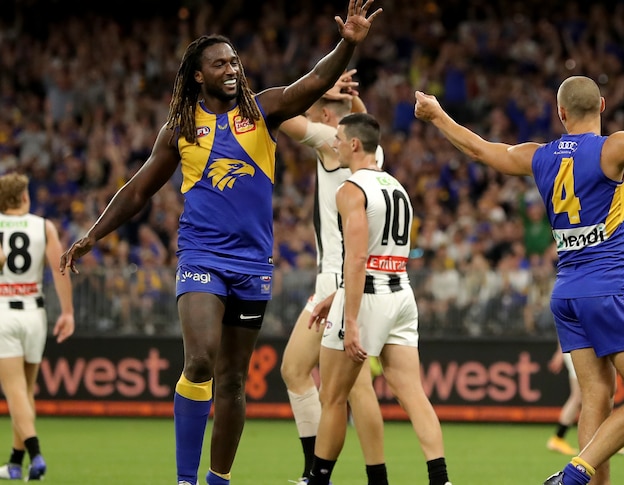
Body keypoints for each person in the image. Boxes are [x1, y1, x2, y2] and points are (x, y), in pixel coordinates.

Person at [58, 3, 382, 484]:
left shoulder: (263, 108)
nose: (231, 69)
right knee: (201, 359)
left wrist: (349, 42)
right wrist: (92, 236)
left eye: (234, 62)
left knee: (232, 380)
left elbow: (314, 82)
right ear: (196, 77)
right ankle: (185, 479)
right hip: (201, 256)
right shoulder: (181, 129)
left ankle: (217, 479)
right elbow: (139, 189)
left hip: (253, 263)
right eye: (220, 64)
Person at [415, 63, 624, 485]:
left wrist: (435, 115)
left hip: (567, 293)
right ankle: (572, 475)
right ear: (602, 105)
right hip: (610, 288)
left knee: (596, 398)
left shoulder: (539, 156)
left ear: (560, 113)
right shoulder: (610, 150)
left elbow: (479, 149)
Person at [306, 113, 452, 485]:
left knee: (334, 397)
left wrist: (349, 319)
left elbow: (357, 258)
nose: (334, 142)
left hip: (367, 296)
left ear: (354, 144)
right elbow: (382, 253)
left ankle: (318, 479)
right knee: (413, 394)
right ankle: (440, 479)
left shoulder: (351, 189)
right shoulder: (397, 187)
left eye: (338, 137)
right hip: (401, 294)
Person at [278, 70, 388, 484]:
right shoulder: (375, 158)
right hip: (359, 277)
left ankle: (318, 473)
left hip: (338, 279)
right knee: (336, 381)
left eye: (316, 112)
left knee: (321, 378)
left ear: (327, 116)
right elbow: (365, 124)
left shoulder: (330, 142)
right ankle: (340, 473)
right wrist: (351, 101)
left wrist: (314, 89)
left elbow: (278, 115)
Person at [0, 173, 75, 481]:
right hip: (35, 313)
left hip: (4, 310)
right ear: (25, 197)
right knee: (26, 390)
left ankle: (35, 454)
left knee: (14, 389)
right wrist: (67, 311)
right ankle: (16, 463)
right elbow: (60, 270)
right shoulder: (43, 226)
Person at [546, 344, 624, 458]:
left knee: (592, 395)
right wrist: (559, 351)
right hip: (578, 348)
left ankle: (605, 440)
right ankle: (558, 438)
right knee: (579, 396)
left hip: (581, 348)